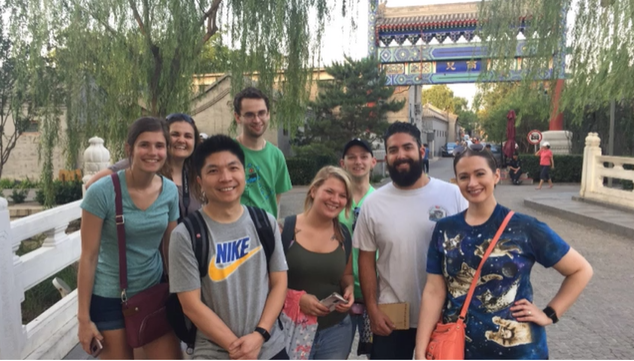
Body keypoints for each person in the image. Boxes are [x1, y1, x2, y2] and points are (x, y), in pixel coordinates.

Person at [415, 143, 593, 360]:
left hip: (520, 351)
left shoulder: (525, 227)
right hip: (458, 349)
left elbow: (581, 270)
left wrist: (549, 314)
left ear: (496, 176)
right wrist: (421, 349)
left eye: (480, 174)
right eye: (464, 177)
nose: (472, 183)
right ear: (456, 181)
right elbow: (434, 291)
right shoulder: (445, 229)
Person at [354, 122, 468, 360]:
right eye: (393, 150)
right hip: (392, 318)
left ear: (422, 151)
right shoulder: (373, 204)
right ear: (386, 156)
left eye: (407, 147)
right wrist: (372, 310)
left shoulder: (453, 195)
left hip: (445, 316)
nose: (401, 155)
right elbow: (365, 260)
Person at [169, 135, 288, 360]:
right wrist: (239, 348)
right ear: (199, 180)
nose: (226, 178)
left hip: (269, 347)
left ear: (244, 173)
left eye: (233, 168)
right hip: (214, 353)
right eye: (213, 171)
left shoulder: (265, 222)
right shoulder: (185, 235)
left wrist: (259, 335)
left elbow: (279, 282)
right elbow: (191, 305)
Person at [77, 117, 182, 359]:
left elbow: (170, 250)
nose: (153, 152)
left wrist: (180, 297)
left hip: (152, 294)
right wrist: (83, 319)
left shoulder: (169, 192)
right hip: (109, 297)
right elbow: (89, 256)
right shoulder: (101, 192)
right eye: (144, 145)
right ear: (129, 149)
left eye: (159, 145)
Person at [282, 166, 355, 359]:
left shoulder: (344, 234)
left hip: (336, 331)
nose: (335, 200)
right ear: (313, 191)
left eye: (342, 195)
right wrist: (297, 299)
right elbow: (264, 283)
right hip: (290, 329)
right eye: (329, 191)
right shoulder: (284, 230)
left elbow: (347, 275)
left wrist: (349, 290)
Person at [85, 113, 203, 220]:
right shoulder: (143, 163)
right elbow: (91, 185)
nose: (181, 140)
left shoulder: (195, 173)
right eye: (175, 134)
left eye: (188, 136)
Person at [338, 138, 377, 355]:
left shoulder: (381, 200)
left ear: (373, 161)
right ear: (342, 163)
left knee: (376, 353)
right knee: (336, 352)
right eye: (351, 157)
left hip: (375, 293)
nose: (358, 161)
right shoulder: (335, 200)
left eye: (363, 156)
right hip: (340, 292)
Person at [233, 87, 292, 218]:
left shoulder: (277, 156)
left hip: (266, 231)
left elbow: (275, 200)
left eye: (261, 113)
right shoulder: (227, 152)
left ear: (268, 114)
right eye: (249, 114)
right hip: (236, 232)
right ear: (237, 117)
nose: (257, 120)